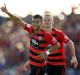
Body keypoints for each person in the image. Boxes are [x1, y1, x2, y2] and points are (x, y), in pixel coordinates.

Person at [1, 4, 60, 75]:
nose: (35, 24)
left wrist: (46, 53)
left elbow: (57, 45)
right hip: (33, 65)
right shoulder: (31, 29)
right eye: (33, 22)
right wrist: (7, 12)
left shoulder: (46, 35)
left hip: (40, 67)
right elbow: (19, 21)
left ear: (41, 23)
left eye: (37, 22)